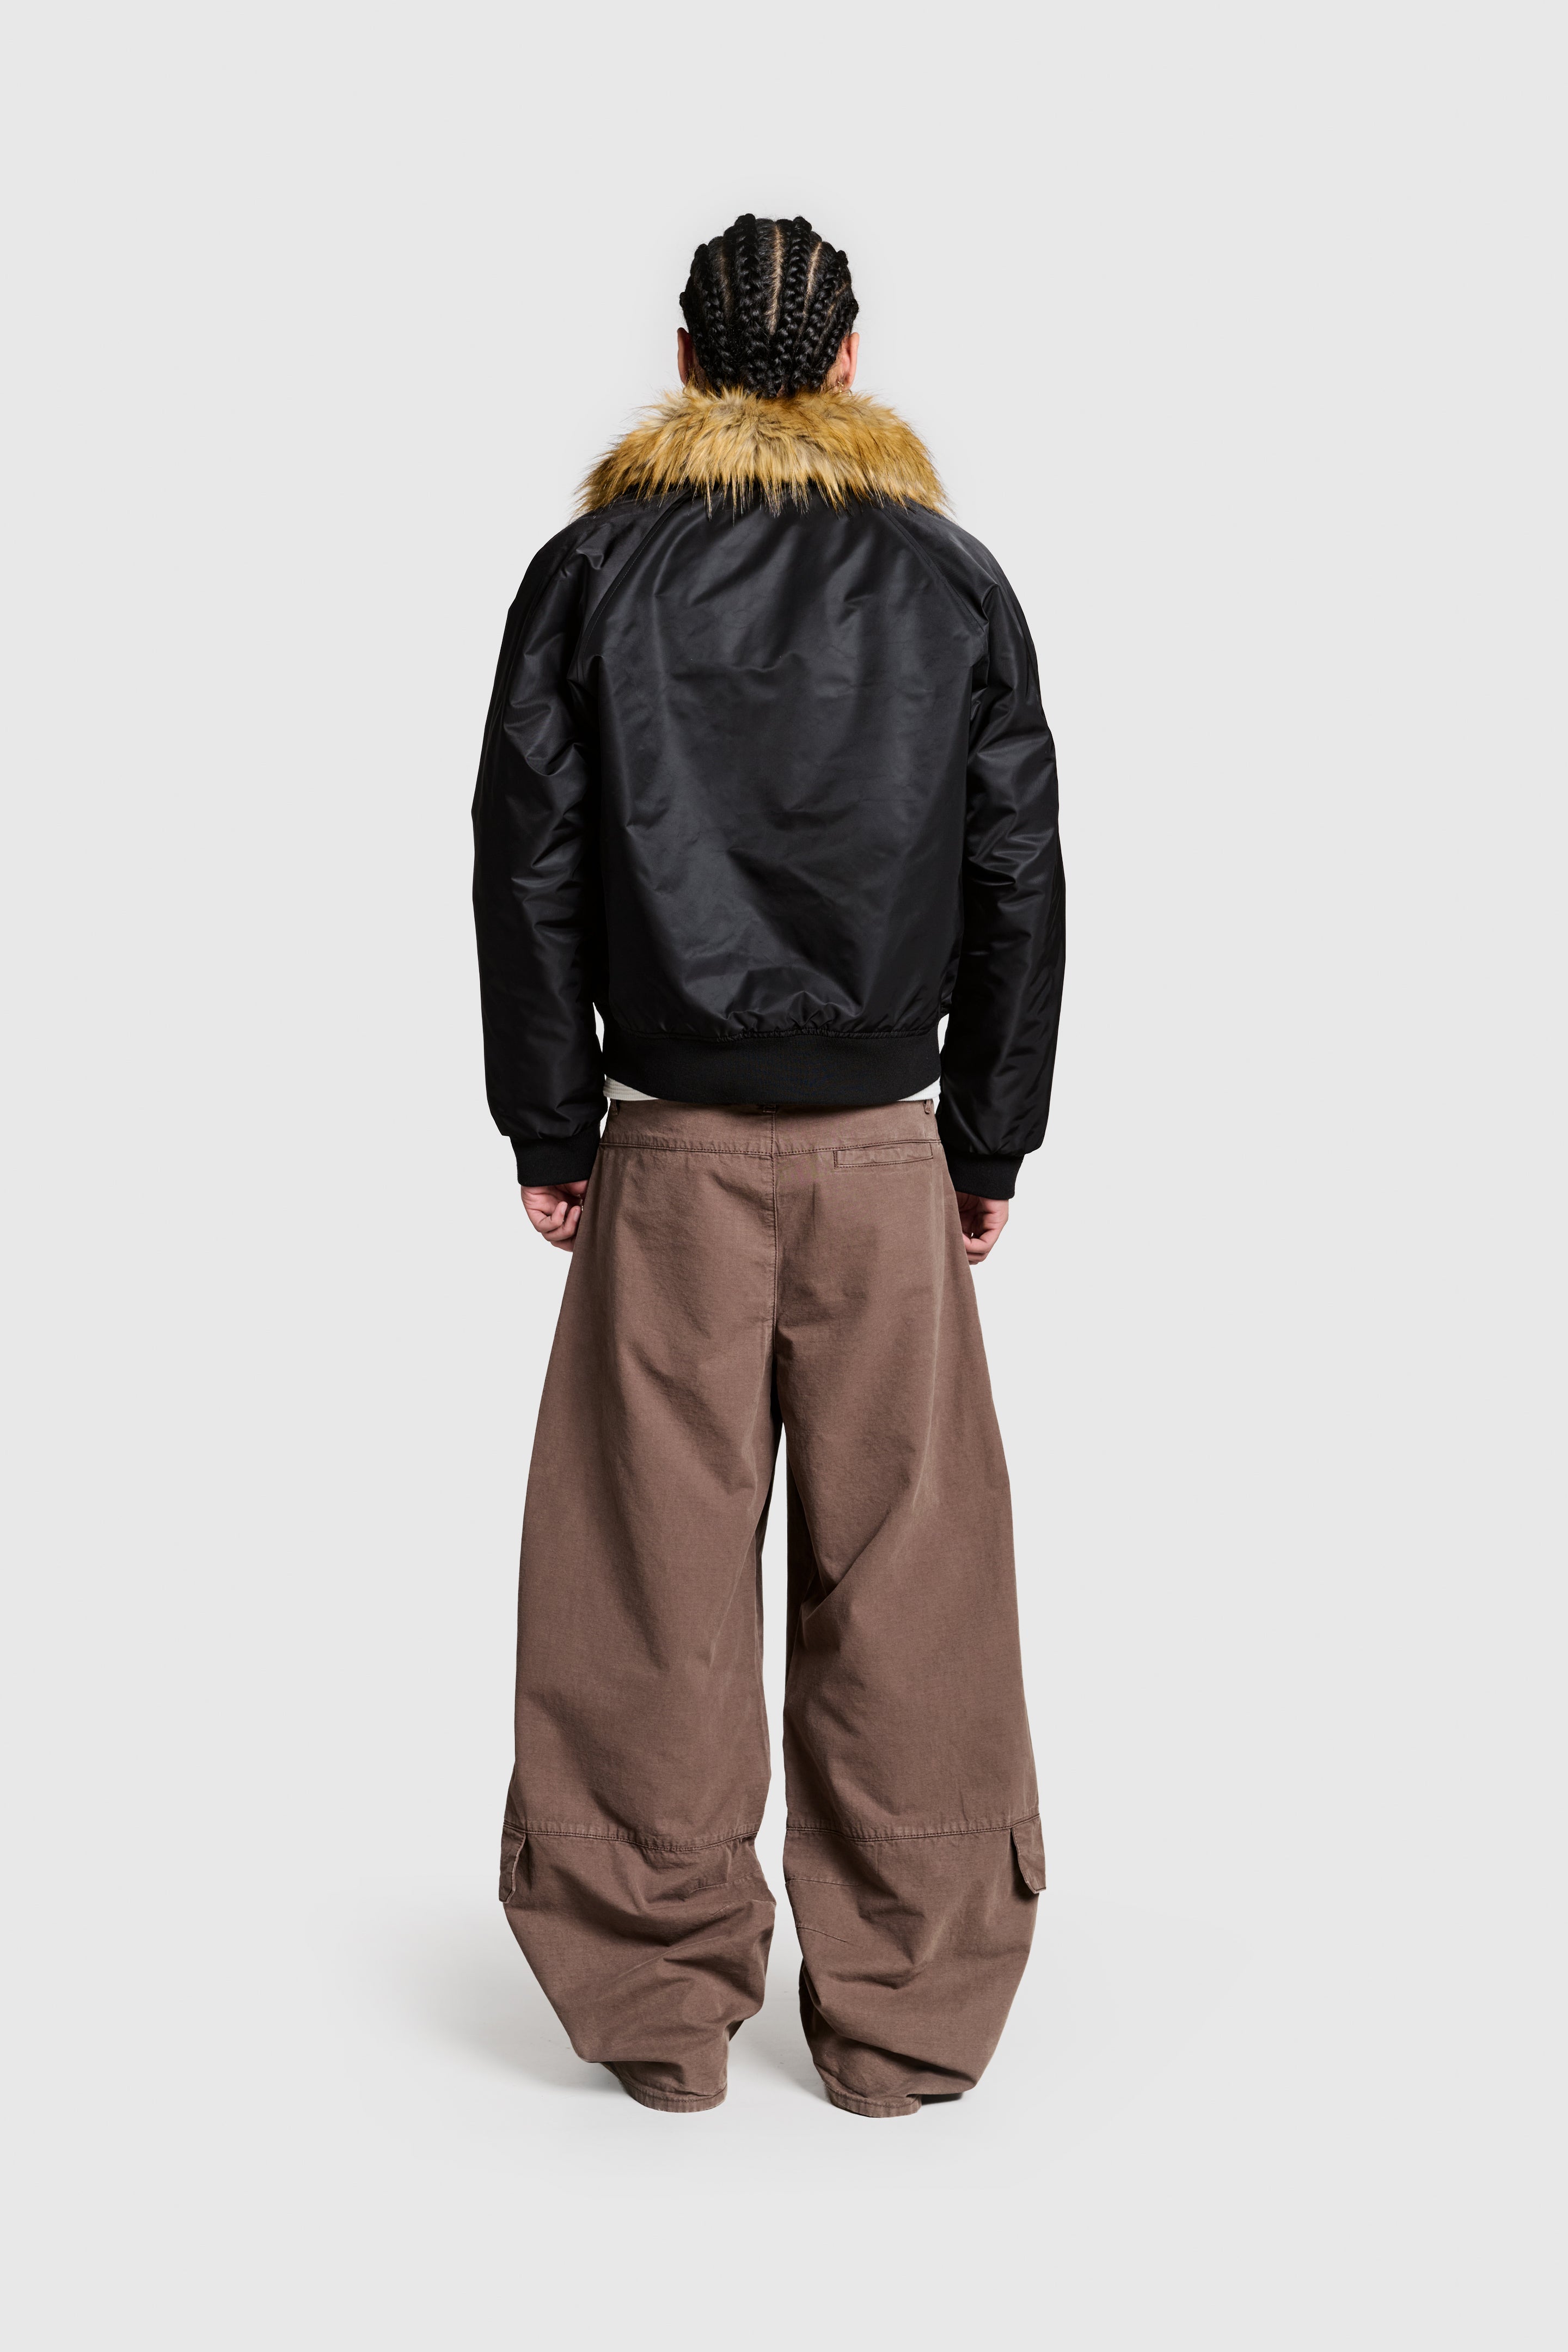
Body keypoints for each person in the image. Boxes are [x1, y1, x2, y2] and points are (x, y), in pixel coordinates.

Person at [471, 213, 1065, 2117]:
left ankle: (656, 2016)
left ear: (685, 356)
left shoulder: (591, 574)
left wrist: (550, 1120)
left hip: (666, 1156)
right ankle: (909, 2022)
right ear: (850, 361)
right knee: (914, 1587)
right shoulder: (950, 580)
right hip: (889, 1159)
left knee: (644, 1580)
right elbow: (1018, 878)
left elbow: (529, 861)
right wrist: (987, 1135)